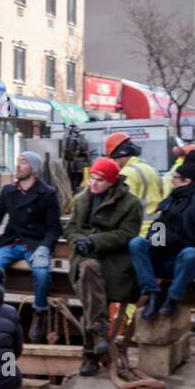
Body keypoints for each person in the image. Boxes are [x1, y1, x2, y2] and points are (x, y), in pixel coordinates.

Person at [63, 156, 142, 376]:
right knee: (88, 271)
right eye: (92, 178)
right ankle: (98, 332)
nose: (93, 183)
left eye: (99, 180)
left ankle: (90, 354)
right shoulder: (81, 200)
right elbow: (70, 228)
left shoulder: (130, 204)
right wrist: (78, 240)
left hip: (113, 260)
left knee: (90, 283)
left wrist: (95, 241)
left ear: (111, 182)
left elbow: (127, 234)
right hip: (85, 256)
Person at [128, 149, 195, 321]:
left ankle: (173, 298)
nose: (172, 181)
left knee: (191, 254)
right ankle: (152, 293)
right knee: (137, 243)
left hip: (185, 264)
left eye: (176, 178)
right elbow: (158, 230)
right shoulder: (171, 201)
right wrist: (153, 244)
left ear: (187, 182)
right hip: (165, 256)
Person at [0, 151, 63, 342]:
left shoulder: (48, 194)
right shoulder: (9, 191)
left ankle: (39, 312)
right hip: (11, 241)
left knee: (42, 273)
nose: (18, 166)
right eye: (18, 161)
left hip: (35, 244)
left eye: (23, 162)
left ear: (34, 169)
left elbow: (54, 228)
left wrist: (44, 248)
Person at [106, 131, 164, 235]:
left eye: (113, 160)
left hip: (141, 230)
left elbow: (125, 206)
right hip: (159, 228)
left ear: (119, 156)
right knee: (158, 251)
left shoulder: (127, 173)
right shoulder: (150, 169)